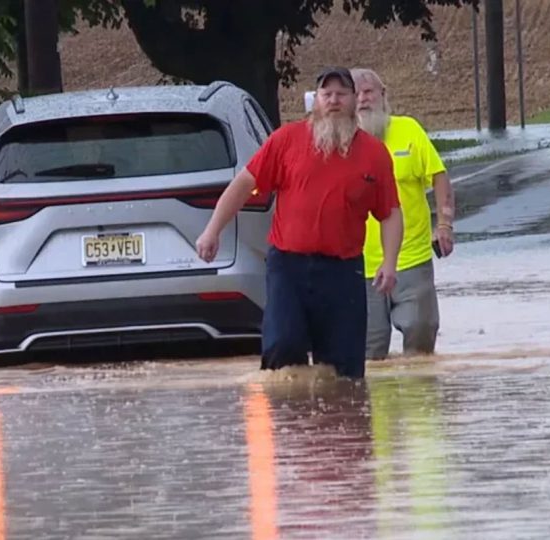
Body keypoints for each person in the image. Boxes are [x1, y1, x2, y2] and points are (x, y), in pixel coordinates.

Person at [195, 67, 403, 379]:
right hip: (288, 268)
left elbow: (390, 213)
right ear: (316, 100)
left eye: (341, 94)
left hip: (343, 271)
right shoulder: (286, 140)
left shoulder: (374, 154)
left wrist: (389, 262)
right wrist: (212, 231)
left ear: (353, 100)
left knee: (344, 370)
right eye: (326, 93)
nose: (333, 100)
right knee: (283, 350)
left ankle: (340, 423)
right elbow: (243, 185)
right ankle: (290, 425)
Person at [350, 68, 456, 360]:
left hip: (412, 257)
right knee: (368, 356)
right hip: (359, 266)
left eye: (369, 91)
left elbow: (439, 176)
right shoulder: (338, 142)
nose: (362, 99)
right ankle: (376, 407)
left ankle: (419, 402)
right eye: (355, 93)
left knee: (420, 340)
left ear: (384, 95)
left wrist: (444, 224)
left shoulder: (409, 129)